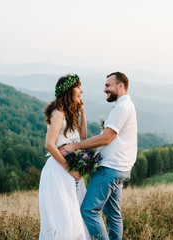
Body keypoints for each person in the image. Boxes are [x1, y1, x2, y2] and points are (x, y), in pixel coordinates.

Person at [60, 72, 137, 240]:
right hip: (121, 168)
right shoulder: (126, 106)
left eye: (108, 85)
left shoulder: (122, 107)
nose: (105, 89)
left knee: (88, 210)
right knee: (112, 214)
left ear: (120, 86)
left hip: (110, 168)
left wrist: (75, 146)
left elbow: (106, 138)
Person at [38, 74, 90, 240]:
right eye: (78, 87)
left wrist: (82, 110)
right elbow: (49, 144)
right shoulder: (58, 113)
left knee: (76, 213)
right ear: (69, 90)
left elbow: (83, 134)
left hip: (71, 170)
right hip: (59, 171)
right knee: (65, 218)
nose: (81, 91)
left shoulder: (70, 112)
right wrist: (69, 169)